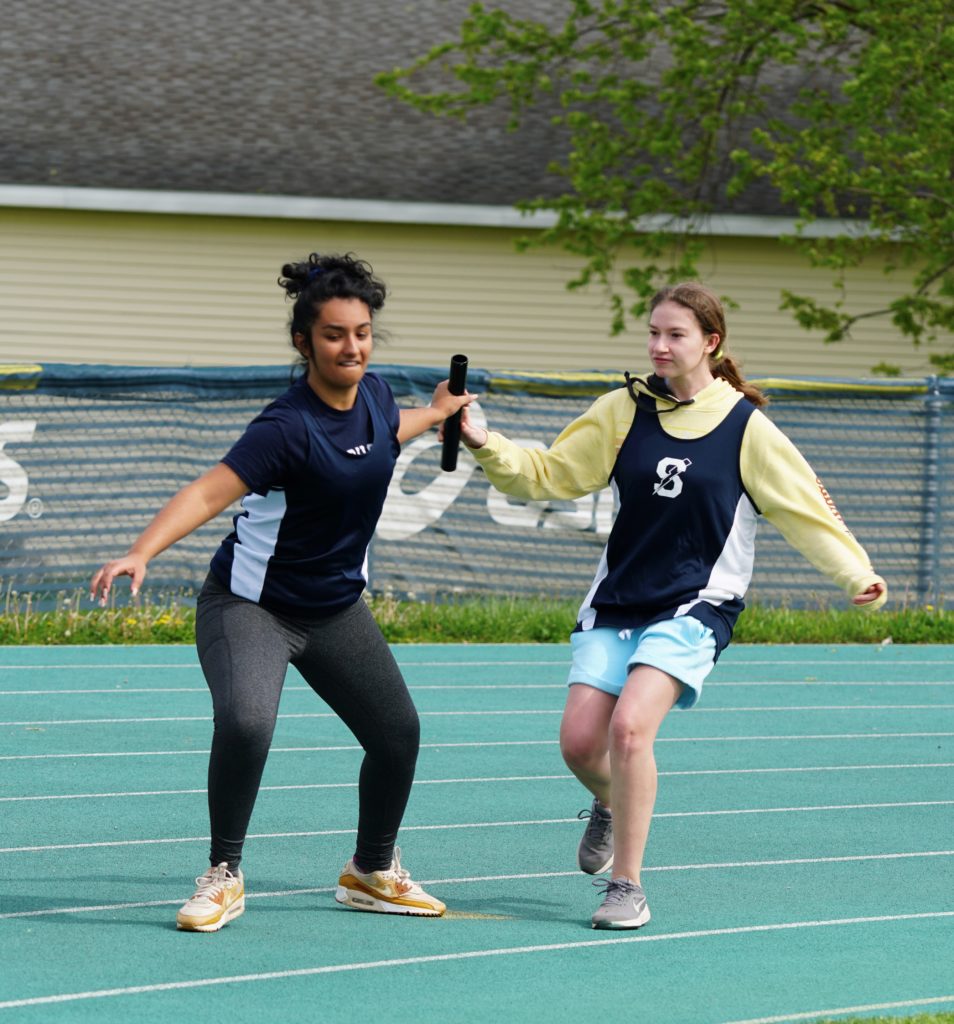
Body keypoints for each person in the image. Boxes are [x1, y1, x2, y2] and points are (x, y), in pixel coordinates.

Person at [447, 281, 886, 930]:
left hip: (696, 606)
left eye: (674, 335)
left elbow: (803, 508)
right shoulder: (622, 411)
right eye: (653, 332)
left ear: (710, 342)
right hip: (619, 600)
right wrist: (486, 443)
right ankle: (611, 801)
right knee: (577, 744)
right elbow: (550, 476)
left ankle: (627, 886)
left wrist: (855, 572)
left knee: (629, 729)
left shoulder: (746, 428)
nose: (658, 345)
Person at [91, 253, 474, 932]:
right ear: (305, 342)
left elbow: (386, 433)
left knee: (398, 734)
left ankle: (371, 871)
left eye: (360, 332)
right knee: (247, 721)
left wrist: (438, 411)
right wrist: (140, 551)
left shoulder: (379, 397)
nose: (351, 345)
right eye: (334, 334)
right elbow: (209, 491)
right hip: (251, 608)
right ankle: (223, 874)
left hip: (334, 610)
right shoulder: (285, 427)